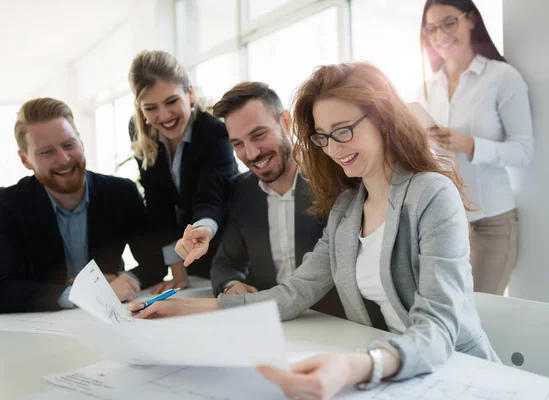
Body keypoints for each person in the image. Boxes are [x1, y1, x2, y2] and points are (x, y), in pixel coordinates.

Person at [129, 62, 499, 398]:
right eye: (323, 137)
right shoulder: (346, 210)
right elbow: (293, 294)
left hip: (459, 375)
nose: (333, 149)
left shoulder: (432, 194)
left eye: (343, 131)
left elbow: (437, 328)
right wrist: (183, 309)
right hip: (392, 376)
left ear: (383, 118)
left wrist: (356, 365)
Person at [0, 98, 163, 313]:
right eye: (46, 152)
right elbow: (4, 289)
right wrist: (83, 296)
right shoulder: (8, 206)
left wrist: (126, 281)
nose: (64, 159)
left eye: (69, 145)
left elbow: (155, 264)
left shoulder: (121, 193)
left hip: (114, 321)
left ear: (81, 142)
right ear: (25, 161)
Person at [418, 0, 534, 294]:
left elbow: (523, 152)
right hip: (446, 223)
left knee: (483, 317)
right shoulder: (427, 88)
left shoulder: (502, 78)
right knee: (451, 318)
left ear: (470, 20)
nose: (441, 35)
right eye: (432, 29)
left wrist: (469, 145)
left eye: (449, 23)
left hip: (492, 224)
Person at [203, 81, 345, 318]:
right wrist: (231, 286)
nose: (251, 153)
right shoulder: (242, 190)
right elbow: (225, 264)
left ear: (286, 122)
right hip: (270, 323)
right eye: (237, 144)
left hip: (335, 323)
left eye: (259, 135)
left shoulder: (333, 179)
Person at [128, 50, 238, 294]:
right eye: (150, 108)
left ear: (188, 93)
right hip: (191, 259)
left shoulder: (214, 132)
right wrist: (178, 272)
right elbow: (159, 205)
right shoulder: (141, 133)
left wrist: (203, 229)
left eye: (171, 101)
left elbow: (212, 194)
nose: (164, 116)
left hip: (226, 250)